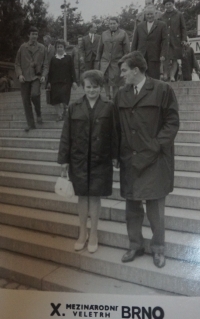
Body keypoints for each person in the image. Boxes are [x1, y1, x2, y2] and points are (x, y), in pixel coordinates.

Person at [115, 51, 179, 268]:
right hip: (130, 158)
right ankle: (135, 245)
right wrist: (117, 154)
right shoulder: (121, 94)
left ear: (135, 70)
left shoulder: (162, 89)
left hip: (155, 159)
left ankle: (158, 248)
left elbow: (172, 122)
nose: (121, 75)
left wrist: (156, 145)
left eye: (124, 70)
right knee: (132, 208)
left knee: (155, 210)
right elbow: (116, 127)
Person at [57, 70, 119, 253]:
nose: (91, 90)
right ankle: (82, 233)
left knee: (95, 196)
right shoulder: (74, 107)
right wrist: (64, 159)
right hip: (79, 159)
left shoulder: (109, 106)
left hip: (101, 159)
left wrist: (115, 156)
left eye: (95, 87)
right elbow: (66, 134)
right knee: (82, 196)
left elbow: (115, 133)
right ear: (83, 87)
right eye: (88, 87)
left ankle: (94, 234)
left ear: (101, 87)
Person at [15, 26, 48, 132]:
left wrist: (44, 75)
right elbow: (17, 63)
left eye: (36, 34)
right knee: (25, 100)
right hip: (24, 78)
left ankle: (38, 113)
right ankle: (31, 124)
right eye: (32, 34)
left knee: (34, 95)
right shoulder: (22, 47)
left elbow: (46, 64)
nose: (35, 36)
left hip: (36, 76)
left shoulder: (42, 47)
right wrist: (20, 75)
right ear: (28, 35)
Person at [96, 17, 130, 99]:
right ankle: (107, 95)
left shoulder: (123, 33)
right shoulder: (104, 34)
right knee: (104, 79)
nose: (112, 25)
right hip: (105, 61)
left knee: (116, 81)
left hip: (117, 62)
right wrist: (98, 60)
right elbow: (100, 48)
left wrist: (126, 62)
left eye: (114, 23)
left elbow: (127, 50)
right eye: (110, 23)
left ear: (118, 24)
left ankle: (115, 98)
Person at [131, 5, 168, 80]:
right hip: (141, 56)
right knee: (141, 77)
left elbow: (165, 41)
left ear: (155, 14)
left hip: (155, 55)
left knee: (154, 77)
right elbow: (135, 41)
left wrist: (163, 54)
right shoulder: (140, 26)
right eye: (148, 14)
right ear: (145, 15)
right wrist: (133, 55)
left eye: (151, 14)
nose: (149, 16)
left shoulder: (162, 25)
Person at [47, 39, 77, 121]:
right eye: (58, 47)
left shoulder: (68, 58)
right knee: (56, 99)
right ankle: (59, 115)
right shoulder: (53, 59)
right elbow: (50, 71)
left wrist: (74, 81)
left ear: (64, 48)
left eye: (61, 47)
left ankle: (65, 109)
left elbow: (72, 70)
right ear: (56, 48)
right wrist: (48, 82)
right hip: (55, 82)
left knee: (64, 96)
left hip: (66, 82)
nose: (59, 48)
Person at [161, 0, 187, 82]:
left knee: (175, 59)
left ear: (173, 4)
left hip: (176, 40)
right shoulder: (162, 16)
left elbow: (183, 28)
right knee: (165, 58)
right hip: (165, 40)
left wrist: (184, 39)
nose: (168, 6)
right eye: (166, 4)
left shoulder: (179, 14)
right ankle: (165, 74)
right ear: (164, 5)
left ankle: (172, 76)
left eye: (170, 4)